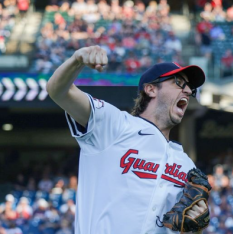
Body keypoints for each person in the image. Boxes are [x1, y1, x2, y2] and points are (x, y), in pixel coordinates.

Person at [47, 45, 209, 234]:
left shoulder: (186, 164)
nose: (188, 91)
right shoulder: (114, 125)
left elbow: (180, 224)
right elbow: (58, 91)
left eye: (191, 88)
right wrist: (76, 60)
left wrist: (197, 225)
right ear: (151, 89)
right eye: (179, 82)